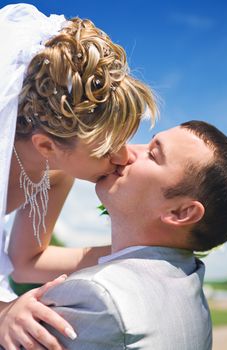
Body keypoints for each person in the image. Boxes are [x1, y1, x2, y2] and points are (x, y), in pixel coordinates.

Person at [0, 3, 156, 349]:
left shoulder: (55, 172)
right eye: (105, 149)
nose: (125, 157)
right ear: (46, 145)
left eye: (124, 140)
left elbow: (27, 262)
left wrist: (146, 250)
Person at [38, 120, 227, 349]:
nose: (126, 152)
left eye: (152, 154)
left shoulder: (99, 296)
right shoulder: (192, 289)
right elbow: (26, 261)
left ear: (181, 212)